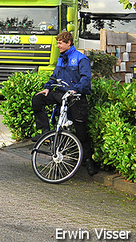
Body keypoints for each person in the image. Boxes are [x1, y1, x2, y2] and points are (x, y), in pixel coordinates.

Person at [31, 30, 98, 176]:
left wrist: (76, 89)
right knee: (38, 99)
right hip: (61, 95)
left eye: (60, 43)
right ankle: (45, 132)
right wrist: (47, 88)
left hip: (76, 98)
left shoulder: (81, 59)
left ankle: (88, 162)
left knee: (81, 132)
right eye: (57, 43)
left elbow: (86, 81)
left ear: (69, 43)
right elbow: (54, 77)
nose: (58, 46)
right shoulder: (61, 58)